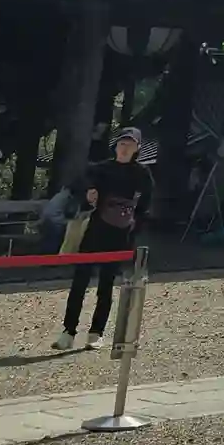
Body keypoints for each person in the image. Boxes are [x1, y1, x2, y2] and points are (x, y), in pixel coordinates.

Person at [59, 127, 152, 349]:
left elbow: (145, 207)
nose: (125, 148)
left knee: (106, 284)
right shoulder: (100, 169)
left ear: (137, 148)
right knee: (80, 281)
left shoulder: (142, 173)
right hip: (94, 230)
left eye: (130, 144)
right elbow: (77, 186)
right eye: (122, 143)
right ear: (115, 146)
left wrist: (134, 230)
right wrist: (88, 192)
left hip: (120, 234)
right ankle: (68, 331)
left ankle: (96, 332)